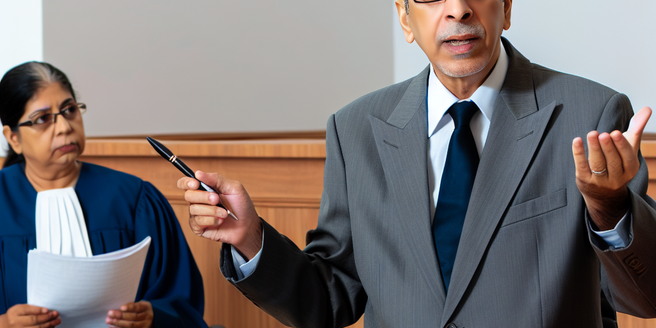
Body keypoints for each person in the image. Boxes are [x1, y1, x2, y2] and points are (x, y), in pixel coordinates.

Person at [179, 0, 656, 327]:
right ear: (405, 21)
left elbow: (644, 295)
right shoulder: (355, 128)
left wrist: (609, 207)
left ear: (506, 8)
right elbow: (331, 298)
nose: (457, 9)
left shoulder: (591, 114)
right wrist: (249, 239)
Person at [0, 62, 208, 328]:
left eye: (69, 110)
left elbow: (182, 302)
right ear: (13, 137)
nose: (64, 127)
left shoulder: (134, 199)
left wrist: (153, 315)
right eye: (42, 119)